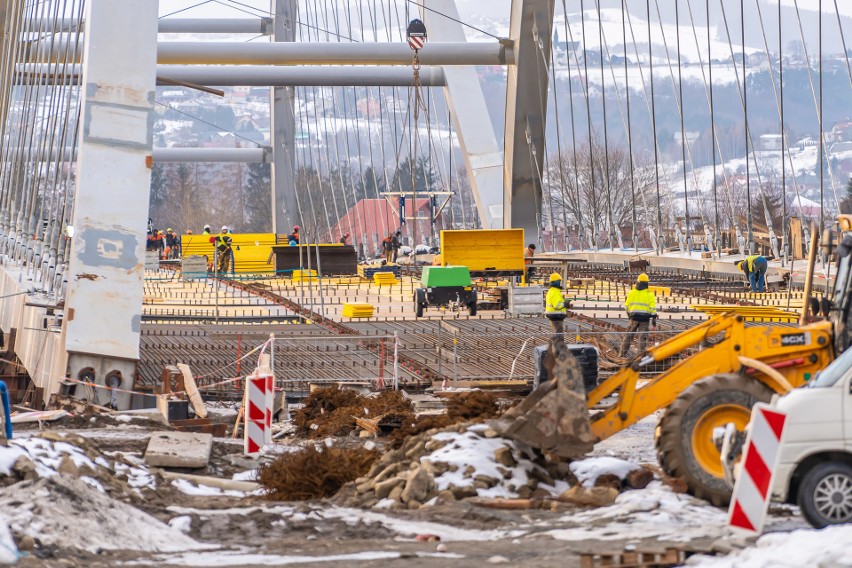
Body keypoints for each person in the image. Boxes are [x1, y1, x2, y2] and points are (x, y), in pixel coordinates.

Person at [619, 273, 657, 357]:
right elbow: (652, 309)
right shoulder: (649, 294)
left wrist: (629, 316)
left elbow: (626, 306)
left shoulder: (631, 293)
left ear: (638, 282)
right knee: (642, 338)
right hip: (644, 320)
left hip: (633, 318)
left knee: (628, 336)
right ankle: (639, 357)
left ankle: (621, 355)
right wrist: (654, 320)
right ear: (647, 283)